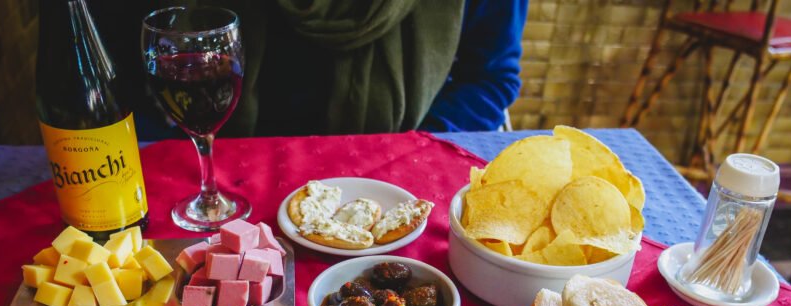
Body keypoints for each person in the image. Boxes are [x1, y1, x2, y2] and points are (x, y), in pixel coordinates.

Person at [89, 0, 527, 137]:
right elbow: (131, 76)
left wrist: (409, 152)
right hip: (226, 169)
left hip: (396, 163)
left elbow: (488, 78)